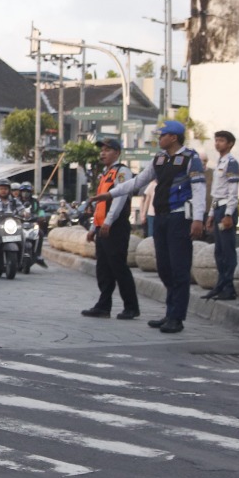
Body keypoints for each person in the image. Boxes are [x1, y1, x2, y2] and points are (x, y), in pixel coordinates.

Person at [92, 119, 205, 334]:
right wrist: (110, 193)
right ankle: (170, 311)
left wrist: (198, 219)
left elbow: (199, 190)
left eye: (162, 135)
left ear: (173, 137)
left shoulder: (191, 159)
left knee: (179, 269)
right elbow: (136, 182)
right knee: (164, 267)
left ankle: (176, 317)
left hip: (179, 218)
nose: (159, 139)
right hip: (161, 218)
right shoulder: (160, 159)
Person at [82, 138, 140, 320]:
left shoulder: (122, 171)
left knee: (119, 268)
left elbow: (120, 198)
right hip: (102, 227)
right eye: (102, 150)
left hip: (115, 227)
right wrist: (93, 227)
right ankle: (103, 306)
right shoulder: (105, 173)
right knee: (103, 269)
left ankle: (131, 307)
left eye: (107, 149)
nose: (103, 153)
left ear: (117, 152)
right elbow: (100, 203)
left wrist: (108, 221)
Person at [203, 130, 239, 300]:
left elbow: (232, 192)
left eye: (221, 141)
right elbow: (216, 194)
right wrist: (211, 213)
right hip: (218, 208)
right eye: (216, 140)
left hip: (226, 210)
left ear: (230, 143)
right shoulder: (220, 161)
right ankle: (220, 284)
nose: (217, 143)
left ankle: (229, 287)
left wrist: (228, 215)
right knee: (219, 250)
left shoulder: (231, 163)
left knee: (227, 250)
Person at [17, 183, 49, 268]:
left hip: (32, 223)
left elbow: (40, 210)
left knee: (40, 233)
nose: (25, 194)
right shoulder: (16, 201)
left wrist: (42, 216)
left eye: (27, 192)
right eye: (23, 191)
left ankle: (38, 254)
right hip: (19, 223)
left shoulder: (35, 202)